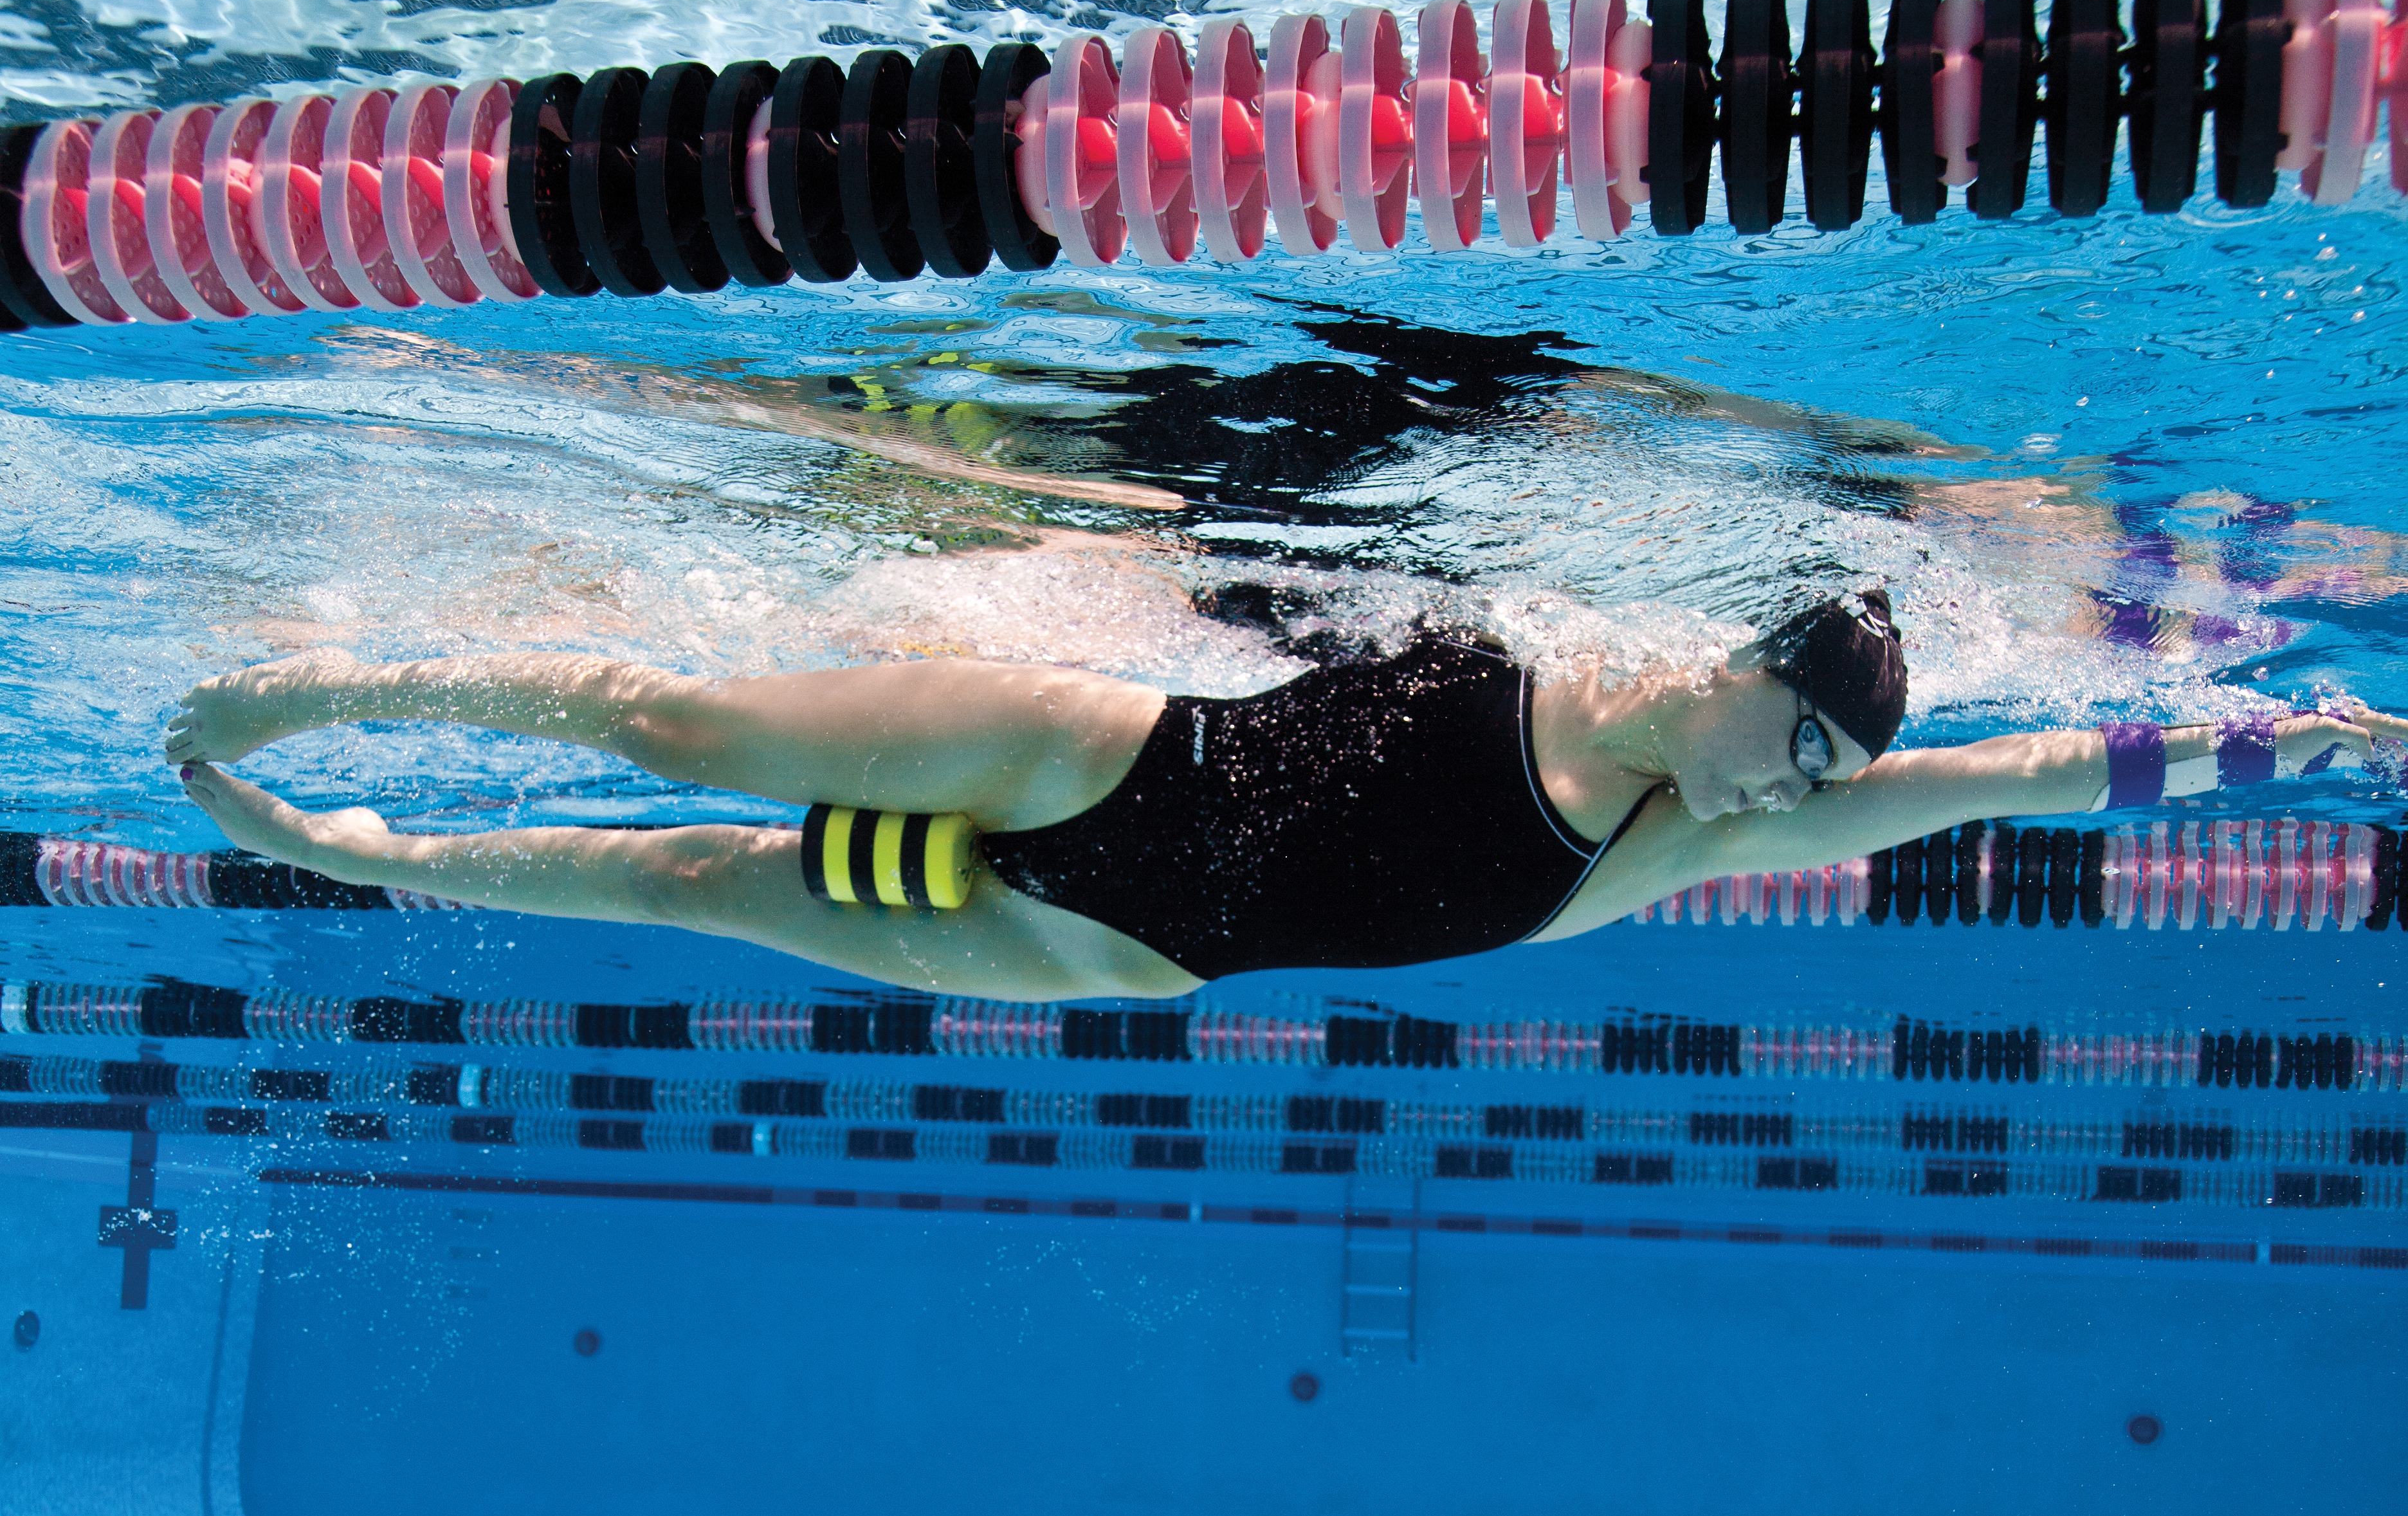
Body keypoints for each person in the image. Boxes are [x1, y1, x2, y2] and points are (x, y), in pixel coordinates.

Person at [165, 590, 2396, 1000]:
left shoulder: (1708, 831)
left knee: (702, 888)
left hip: (1112, 948)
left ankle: (353, 852)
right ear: (1739, 668)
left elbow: (1995, 785)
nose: (1801, 798)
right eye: (1804, 744)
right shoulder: (1564, 635)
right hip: (1085, 752)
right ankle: (366, 674)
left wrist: (2258, 743)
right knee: (694, 739)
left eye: (1832, 781)